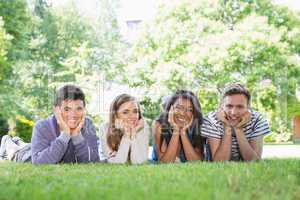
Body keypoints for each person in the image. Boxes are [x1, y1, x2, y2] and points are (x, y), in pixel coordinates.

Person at [31, 85, 99, 164]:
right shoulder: (42, 126)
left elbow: (93, 162)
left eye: (79, 108)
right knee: (17, 150)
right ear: (56, 110)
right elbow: (39, 162)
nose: (73, 115)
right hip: (25, 153)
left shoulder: (88, 125)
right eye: (67, 109)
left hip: (41, 148)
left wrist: (77, 136)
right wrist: (65, 134)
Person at [201, 83, 270, 161]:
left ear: (248, 107)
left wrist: (238, 129)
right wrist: (227, 126)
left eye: (240, 107)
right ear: (221, 106)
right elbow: (219, 162)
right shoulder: (211, 120)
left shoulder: (258, 120)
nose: (233, 112)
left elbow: (254, 161)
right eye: (229, 106)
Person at [152, 90, 207, 163]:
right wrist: (176, 130)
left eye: (190, 110)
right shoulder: (159, 125)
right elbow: (165, 162)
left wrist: (183, 132)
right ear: (170, 108)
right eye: (179, 107)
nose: (183, 113)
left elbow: (196, 162)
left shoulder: (197, 127)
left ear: (194, 113)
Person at [99, 94, 150, 164]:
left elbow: (139, 162)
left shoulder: (142, 127)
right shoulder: (105, 128)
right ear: (115, 115)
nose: (132, 116)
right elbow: (118, 163)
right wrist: (126, 136)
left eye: (135, 111)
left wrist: (133, 134)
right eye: (125, 112)